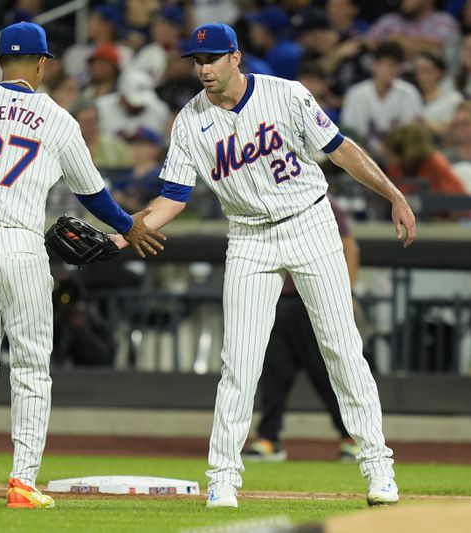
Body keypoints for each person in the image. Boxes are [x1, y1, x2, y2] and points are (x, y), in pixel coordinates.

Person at [119, 22, 416, 509]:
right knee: (239, 361)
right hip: (249, 236)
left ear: (236, 57)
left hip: (310, 223)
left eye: (213, 58)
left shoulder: (286, 94)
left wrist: (394, 194)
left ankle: (378, 468)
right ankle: (222, 476)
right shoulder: (190, 121)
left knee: (342, 348)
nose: (204, 69)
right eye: (197, 61)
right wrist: (121, 231)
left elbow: (340, 149)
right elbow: (172, 198)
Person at [0, 21, 164, 509]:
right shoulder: (57, 118)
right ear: (44, 64)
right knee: (29, 368)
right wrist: (129, 226)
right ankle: (23, 482)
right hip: (19, 247)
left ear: (1, 60)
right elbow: (94, 195)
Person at [242, 196, 362, 464]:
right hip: (276, 298)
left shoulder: (321, 201)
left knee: (326, 371)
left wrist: (346, 293)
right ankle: (268, 438)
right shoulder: (264, 200)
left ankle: (352, 437)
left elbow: (349, 247)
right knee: (273, 371)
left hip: (313, 299)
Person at [340, 41, 423, 161]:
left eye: (397, 66)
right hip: (363, 157)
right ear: (375, 65)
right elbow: (350, 133)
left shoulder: (409, 93)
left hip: (401, 159)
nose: (393, 70)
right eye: (389, 65)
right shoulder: (356, 93)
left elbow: (413, 133)